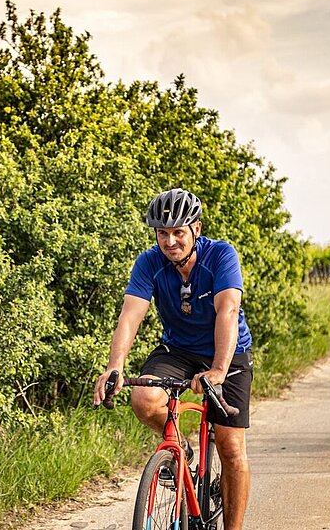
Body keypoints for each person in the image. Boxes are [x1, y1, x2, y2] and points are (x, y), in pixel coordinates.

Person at [93, 188, 253, 530]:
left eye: (178, 232)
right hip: (178, 349)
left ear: (195, 229)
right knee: (145, 397)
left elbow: (228, 311)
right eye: (162, 234)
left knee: (230, 446)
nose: (170, 242)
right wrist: (115, 366)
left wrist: (219, 370)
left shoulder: (221, 256)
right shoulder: (149, 263)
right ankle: (179, 449)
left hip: (228, 352)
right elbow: (130, 316)